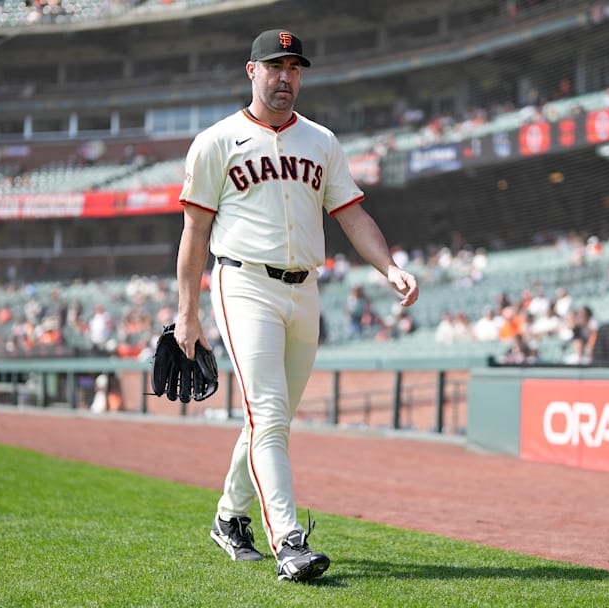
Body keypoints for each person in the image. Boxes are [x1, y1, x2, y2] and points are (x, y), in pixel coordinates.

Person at [174, 29, 418, 583]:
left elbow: (352, 215)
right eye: (275, 66)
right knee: (270, 414)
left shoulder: (322, 141)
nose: (286, 77)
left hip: (305, 287)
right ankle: (289, 541)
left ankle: (229, 517)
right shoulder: (217, 140)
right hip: (244, 284)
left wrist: (390, 267)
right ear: (251, 71)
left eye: (295, 67)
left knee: (270, 416)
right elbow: (194, 232)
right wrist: (187, 311)